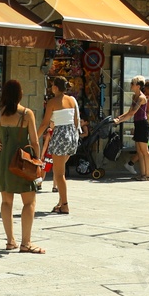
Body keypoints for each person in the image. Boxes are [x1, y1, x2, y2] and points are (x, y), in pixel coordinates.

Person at [0, 78, 44, 253]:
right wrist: (39, 161)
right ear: (20, 95)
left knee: (6, 201)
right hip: (22, 162)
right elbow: (35, 141)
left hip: (4, 159)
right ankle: (26, 243)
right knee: (29, 202)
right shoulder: (26, 114)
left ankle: (10, 241)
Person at [41, 75, 83, 215]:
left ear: (55, 87)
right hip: (71, 136)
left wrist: (34, 136)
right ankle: (60, 202)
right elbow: (76, 120)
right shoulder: (72, 100)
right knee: (60, 172)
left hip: (60, 136)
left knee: (59, 174)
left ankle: (64, 204)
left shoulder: (52, 102)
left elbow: (45, 122)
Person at [114, 76, 149, 180]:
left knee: (145, 151)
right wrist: (119, 117)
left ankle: (147, 175)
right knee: (139, 151)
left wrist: (120, 121)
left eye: (132, 83)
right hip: (138, 124)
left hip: (143, 124)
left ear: (138, 86)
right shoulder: (134, 97)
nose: (131, 85)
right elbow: (129, 111)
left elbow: (132, 113)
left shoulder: (141, 98)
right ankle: (142, 173)